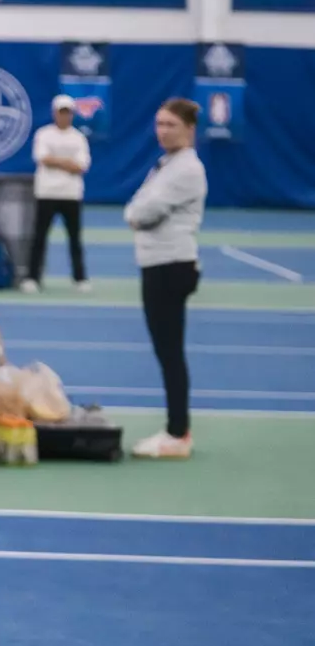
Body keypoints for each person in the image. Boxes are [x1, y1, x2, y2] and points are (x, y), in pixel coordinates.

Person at [125, 98, 207, 459]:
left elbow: (142, 210)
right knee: (166, 351)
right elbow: (137, 208)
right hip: (158, 264)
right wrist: (136, 212)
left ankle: (178, 433)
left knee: (170, 352)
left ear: (189, 129)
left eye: (170, 125)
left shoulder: (186, 169)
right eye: (159, 124)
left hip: (170, 266)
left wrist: (136, 214)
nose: (162, 131)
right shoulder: (166, 164)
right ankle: (177, 429)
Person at [23, 96, 92, 293]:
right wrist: (67, 163)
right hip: (46, 193)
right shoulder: (43, 134)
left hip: (71, 195)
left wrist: (57, 161)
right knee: (39, 237)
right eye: (61, 112)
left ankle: (80, 278)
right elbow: (42, 158)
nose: (64, 116)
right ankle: (32, 278)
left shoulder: (78, 137)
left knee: (74, 239)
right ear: (55, 113)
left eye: (68, 112)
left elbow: (81, 165)